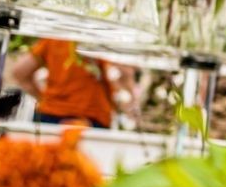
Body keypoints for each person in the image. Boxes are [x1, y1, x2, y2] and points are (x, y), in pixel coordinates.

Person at [9, 38, 138, 129]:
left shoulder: (55, 38)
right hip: (91, 119)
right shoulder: (104, 39)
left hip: (50, 116)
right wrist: (132, 102)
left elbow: (19, 72)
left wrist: (44, 99)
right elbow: (125, 73)